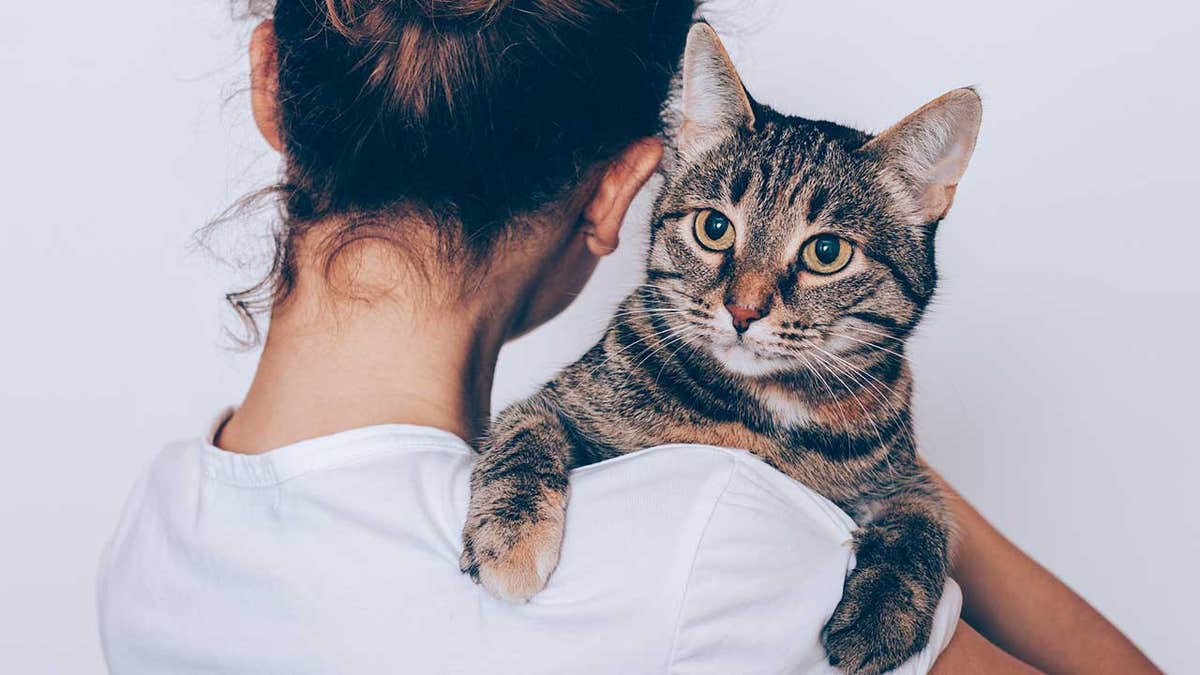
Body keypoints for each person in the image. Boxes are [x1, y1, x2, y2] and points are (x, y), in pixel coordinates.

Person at [97, 1, 1159, 672]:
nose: (747, 299)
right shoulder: (719, 544)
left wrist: (868, 454)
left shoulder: (151, 540)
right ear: (620, 194)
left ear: (271, 86)